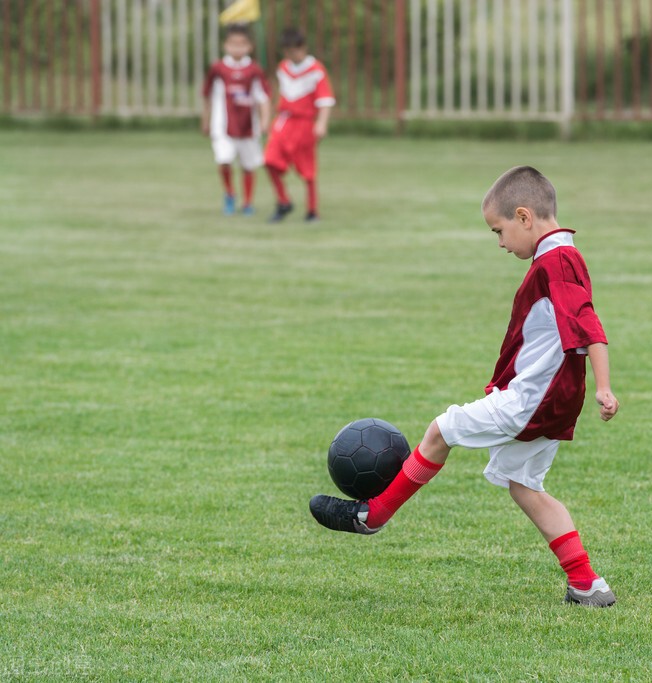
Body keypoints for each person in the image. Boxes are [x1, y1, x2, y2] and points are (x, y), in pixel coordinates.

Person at [310, 166, 621, 607]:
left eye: (499, 231)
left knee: (442, 429)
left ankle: (373, 515)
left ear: (524, 216)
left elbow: (588, 325)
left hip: (532, 400)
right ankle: (587, 583)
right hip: (547, 400)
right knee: (523, 485)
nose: (500, 243)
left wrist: (604, 387)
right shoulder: (560, 257)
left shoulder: (557, 262)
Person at [263, 28, 335, 223]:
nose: (292, 54)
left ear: (304, 48)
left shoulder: (316, 70)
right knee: (269, 160)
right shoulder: (283, 68)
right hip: (284, 121)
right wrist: (269, 119)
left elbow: (325, 99)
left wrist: (321, 123)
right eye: (288, 51)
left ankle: (312, 210)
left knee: (307, 169)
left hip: (304, 123)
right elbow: (279, 95)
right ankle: (283, 201)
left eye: (295, 50)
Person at [200, 23, 271, 216]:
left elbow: (263, 98)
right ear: (226, 45)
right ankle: (230, 193)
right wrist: (205, 120)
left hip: (248, 126)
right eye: (233, 44)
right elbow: (207, 96)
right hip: (222, 125)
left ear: (249, 46)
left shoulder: (254, 70)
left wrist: (264, 121)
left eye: (242, 44)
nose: (237, 48)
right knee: (224, 160)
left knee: (249, 165)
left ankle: (248, 201)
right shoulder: (218, 69)